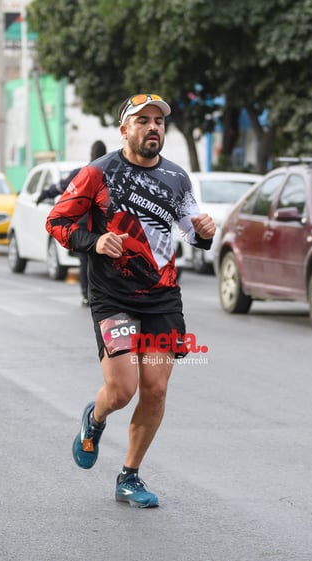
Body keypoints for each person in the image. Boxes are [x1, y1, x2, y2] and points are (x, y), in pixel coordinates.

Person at [46, 94, 216, 508]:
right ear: (125, 130)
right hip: (113, 295)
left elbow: (191, 232)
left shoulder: (176, 178)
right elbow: (57, 221)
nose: (153, 127)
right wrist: (94, 240)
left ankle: (129, 475)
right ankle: (96, 417)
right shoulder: (98, 173)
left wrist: (204, 231)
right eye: (143, 121)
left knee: (155, 391)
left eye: (159, 121)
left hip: (161, 297)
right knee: (122, 390)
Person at [37, 140, 108, 306]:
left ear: (91, 154)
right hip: (104, 229)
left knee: (85, 261)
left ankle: (86, 295)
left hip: (84, 228)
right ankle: (100, 296)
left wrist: (44, 195)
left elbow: (60, 187)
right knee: (104, 263)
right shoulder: (112, 174)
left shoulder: (82, 172)